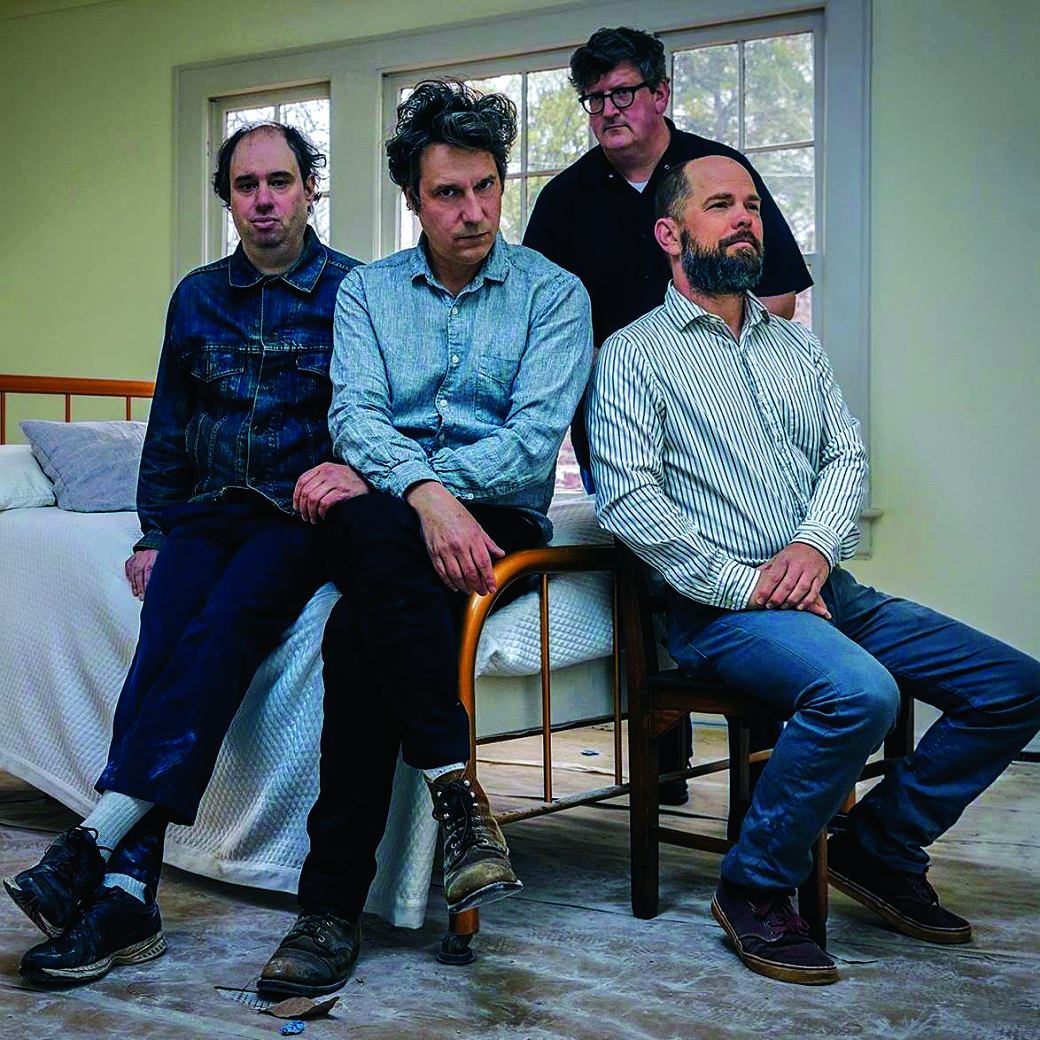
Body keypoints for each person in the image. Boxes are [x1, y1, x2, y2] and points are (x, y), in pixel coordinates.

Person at [585, 155, 1040, 985]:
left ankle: (878, 847)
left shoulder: (797, 345)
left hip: (831, 589)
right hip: (722, 612)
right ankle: (755, 887)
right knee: (860, 692)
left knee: (1014, 685)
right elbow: (629, 501)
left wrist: (813, 549)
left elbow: (845, 456)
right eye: (721, 204)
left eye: (752, 204)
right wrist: (752, 583)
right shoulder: (631, 355)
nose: (745, 217)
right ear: (670, 233)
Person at [257, 80, 593, 997]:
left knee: (355, 633)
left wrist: (428, 490)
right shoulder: (367, 293)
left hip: (494, 518)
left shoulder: (554, 295)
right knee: (373, 530)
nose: (473, 210)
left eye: (486, 187)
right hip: (384, 512)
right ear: (414, 199)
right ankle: (457, 793)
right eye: (449, 193)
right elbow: (355, 417)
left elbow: (532, 442)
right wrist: (422, 493)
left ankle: (327, 911)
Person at [5, 124, 363, 983]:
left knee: (226, 624)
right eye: (246, 185)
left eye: (280, 181)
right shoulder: (197, 297)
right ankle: (128, 895)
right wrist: (155, 532)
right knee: (161, 640)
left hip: (295, 520)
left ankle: (97, 842)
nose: (264, 200)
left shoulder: (355, 292)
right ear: (228, 198)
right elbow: (168, 428)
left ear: (309, 189)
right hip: (204, 515)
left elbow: (367, 416)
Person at [524, 25, 813, 800]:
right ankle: (665, 768)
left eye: (623, 93)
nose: (608, 110)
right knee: (649, 583)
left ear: (660, 94)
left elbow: (781, 294)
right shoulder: (562, 201)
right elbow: (540, 325)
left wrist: (682, 356)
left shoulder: (720, 175)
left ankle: (760, 782)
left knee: (748, 578)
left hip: (725, 422)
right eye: (594, 99)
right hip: (615, 426)